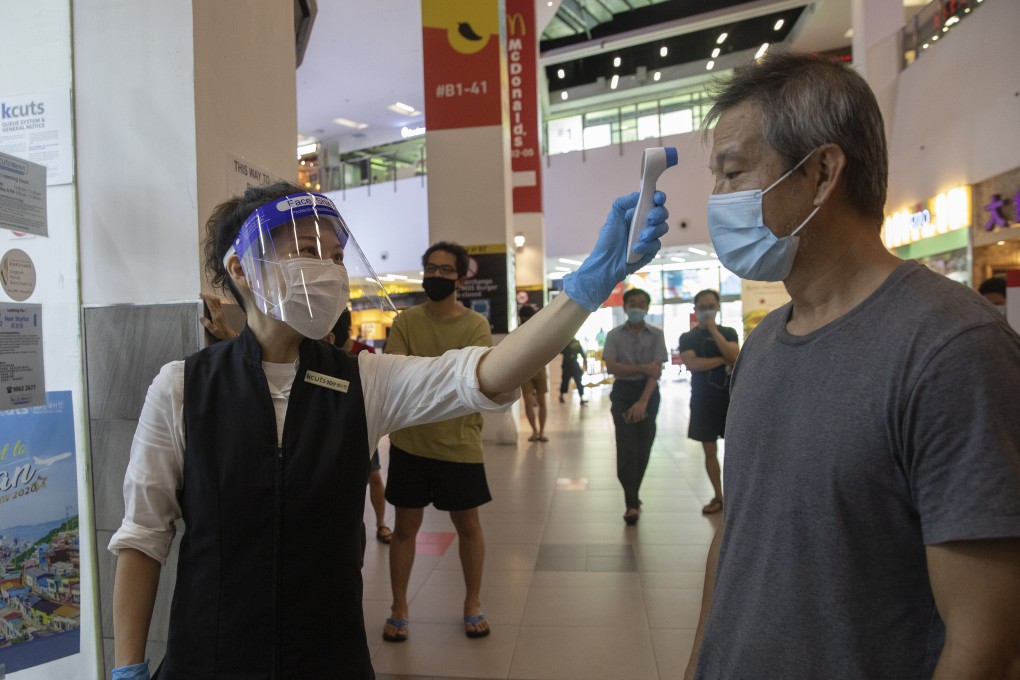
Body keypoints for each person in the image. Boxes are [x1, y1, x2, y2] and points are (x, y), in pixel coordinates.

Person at [108, 181, 670, 679]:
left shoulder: (361, 382)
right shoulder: (184, 389)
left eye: (334, 256)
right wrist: (129, 667)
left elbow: (483, 372)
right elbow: (143, 539)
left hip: (329, 658)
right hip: (209, 658)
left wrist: (585, 291)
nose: (328, 270)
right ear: (241, 270)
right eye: (306, 252)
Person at [685, 53, 1020, 680]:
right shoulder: (763, 346)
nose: (717, 201)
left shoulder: (952, 348)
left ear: (821, 173)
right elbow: (736, 537)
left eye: (733, 173)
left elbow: (986, 640)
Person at [381, 241, 495, 642]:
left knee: (468, 526)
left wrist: (425, 377)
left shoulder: (476, 326)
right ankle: (399, 607)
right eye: (431, 268)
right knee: (405, 528)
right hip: (410, 444)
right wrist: (444, 377)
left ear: (461, 278)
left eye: (446, 270)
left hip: (459, 443)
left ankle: (472, 603)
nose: (437, 276)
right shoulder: (406, 321)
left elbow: (472, 382)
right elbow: (396, 374)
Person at [602, 288, 668, 525]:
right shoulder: (614, 335)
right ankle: (631, 503)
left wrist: (643, 402)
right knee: (627, 448)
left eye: (642, 304)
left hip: (648, 393)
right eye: (633, 304)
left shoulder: (657, 334)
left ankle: (634, 495)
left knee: (644, 446)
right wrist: (644, 368)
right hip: (622, 393)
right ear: (625, 307)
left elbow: (656, 372)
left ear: (648, 308)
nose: (637, 308)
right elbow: (612, 368)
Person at [327, 308, 392, 544]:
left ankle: (381, 523)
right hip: (331, 427)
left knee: (374, 476)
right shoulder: (320, 352)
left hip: (361, 423)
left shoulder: (364, 352)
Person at [677, 289, 739, 515]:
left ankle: (735, 496)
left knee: (734, 450)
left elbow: (735, 356)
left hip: (730, 399)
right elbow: (694, 365)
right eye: (702, 307)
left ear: (718, 307)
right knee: (709, 450)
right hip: (703, 400)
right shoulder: (687, 337)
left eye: (710, 306)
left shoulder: (728, 332)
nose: (706, 311)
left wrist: (714, 331)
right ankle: (719, 496)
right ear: (695, 310)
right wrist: (723, 359)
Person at [518, 304, 550, 441]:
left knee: (540, 401)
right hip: (526, 371)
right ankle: (536, 431)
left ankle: (540, 431)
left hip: (537, 369)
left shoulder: (540, 330)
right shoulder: (518, 332)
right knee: (529, 401)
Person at [559, 337, 587, 404]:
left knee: (579, 382)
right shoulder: (565, 343)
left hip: (574, 365)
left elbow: (582, 353)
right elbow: (561, 351)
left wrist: (585, 363)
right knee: (565, 382)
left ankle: (581, 397)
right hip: (566, 365)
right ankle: (561, 396)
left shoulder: (576, 342)